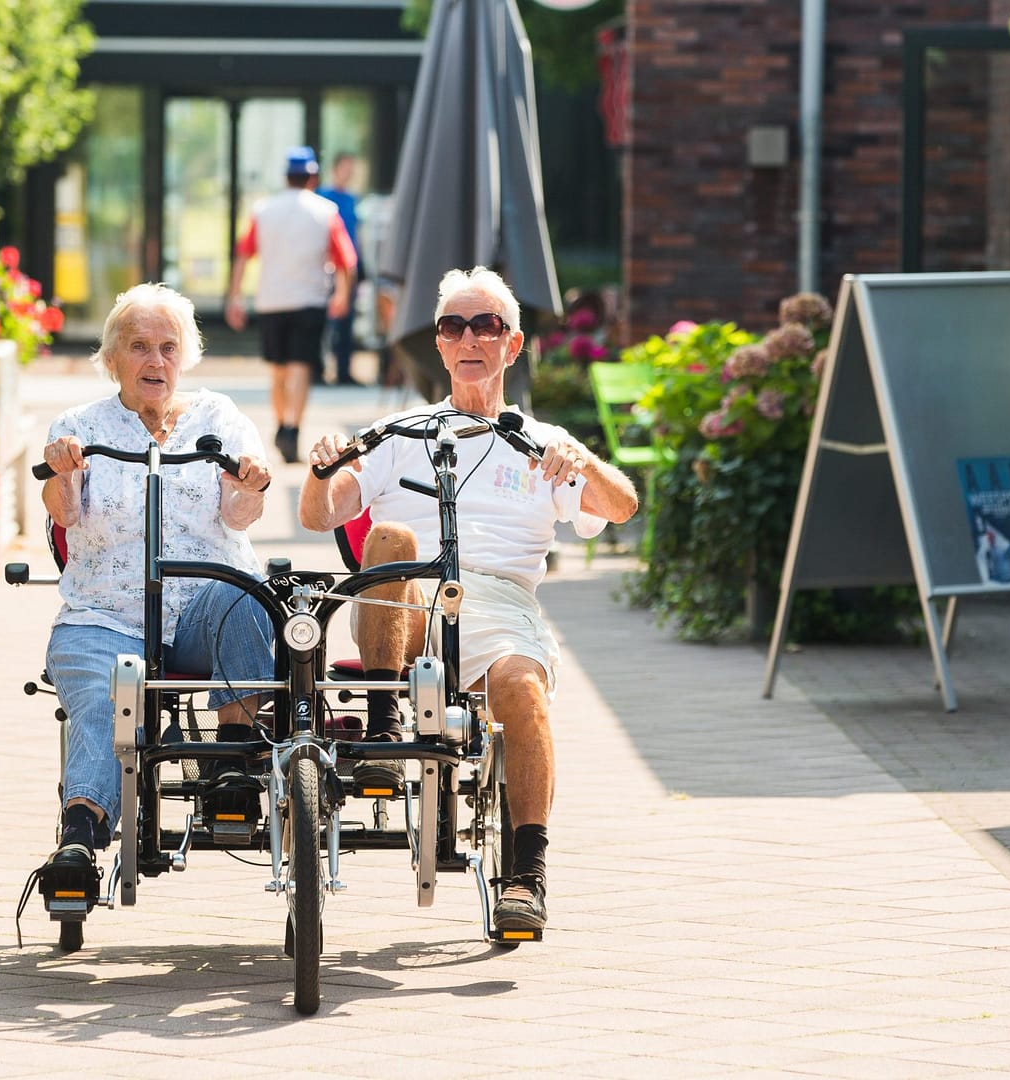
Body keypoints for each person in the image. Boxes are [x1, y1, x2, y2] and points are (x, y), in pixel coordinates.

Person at [298, 267, 639, 935]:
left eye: (486, 325)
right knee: (392, 533)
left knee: (523, 685)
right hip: (409, 597)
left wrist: (583, 461)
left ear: (512, 345)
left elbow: (622, 507)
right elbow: (321, 515)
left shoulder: (539, 442)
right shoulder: (401, 432)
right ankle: (381, 719)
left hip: (497, 600)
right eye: (454, 327)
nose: (469, 339)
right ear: (441, 345)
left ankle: (527, 873)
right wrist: (321, 471)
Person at [38, 283, 277, 887]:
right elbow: (62, 512)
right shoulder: (80, 425)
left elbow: (240, 517)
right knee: (102, 697)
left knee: (241, 592)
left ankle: (233, 768)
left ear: (186, 355)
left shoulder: (218, 417)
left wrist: (251, 482)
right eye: (139, 346)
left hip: (202, 608)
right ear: (112, 357)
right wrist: (62, 470)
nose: (155, 361)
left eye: (168, 347)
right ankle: (81, 837)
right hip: (104, 614)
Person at [225, 145, 357, 464]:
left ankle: (281, 422)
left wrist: (234, 296)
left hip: (271, 300)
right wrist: (341, 295)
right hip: (309, 300)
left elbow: (243, 253)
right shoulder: (326, 211)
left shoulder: (263, 210)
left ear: (286, 176)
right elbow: (347, 261)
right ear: (313, 176)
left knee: (278, 369)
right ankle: (291, 427)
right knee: (301, 366)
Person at [316, 152, 364, 387]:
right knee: (324, 322)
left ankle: (344, 371)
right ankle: (319, 369)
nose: (349, 172)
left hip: (349, 267)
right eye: (345, 167)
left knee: (346, 321)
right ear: (335, 169)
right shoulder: (323, 198)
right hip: (327, 269)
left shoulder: (353, 200)